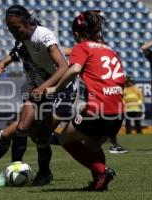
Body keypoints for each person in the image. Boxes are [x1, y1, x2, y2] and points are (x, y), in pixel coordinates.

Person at [0, 6, 76, 186]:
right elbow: (13, 54)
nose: (12, 32)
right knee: (19, 128)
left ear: (26, 23)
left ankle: (44, 173)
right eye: (9, 29)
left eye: (15, 28)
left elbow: (64, 67)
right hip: (37, 90)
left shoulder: (43, 36)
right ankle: (8, 168)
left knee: (40, 135)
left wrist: (43, 87)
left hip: (61, 89)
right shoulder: (22, 40)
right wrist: (1, 65)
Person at [46, 10, 125, 191]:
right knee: (91, 145)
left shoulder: (82, 47)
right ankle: (100, 182)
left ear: (76, 33)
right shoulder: (109, 49)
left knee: (64, 138)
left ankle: (102, 172)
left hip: (97, 110)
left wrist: (55, 89)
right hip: (118, 112)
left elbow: (74, 69)